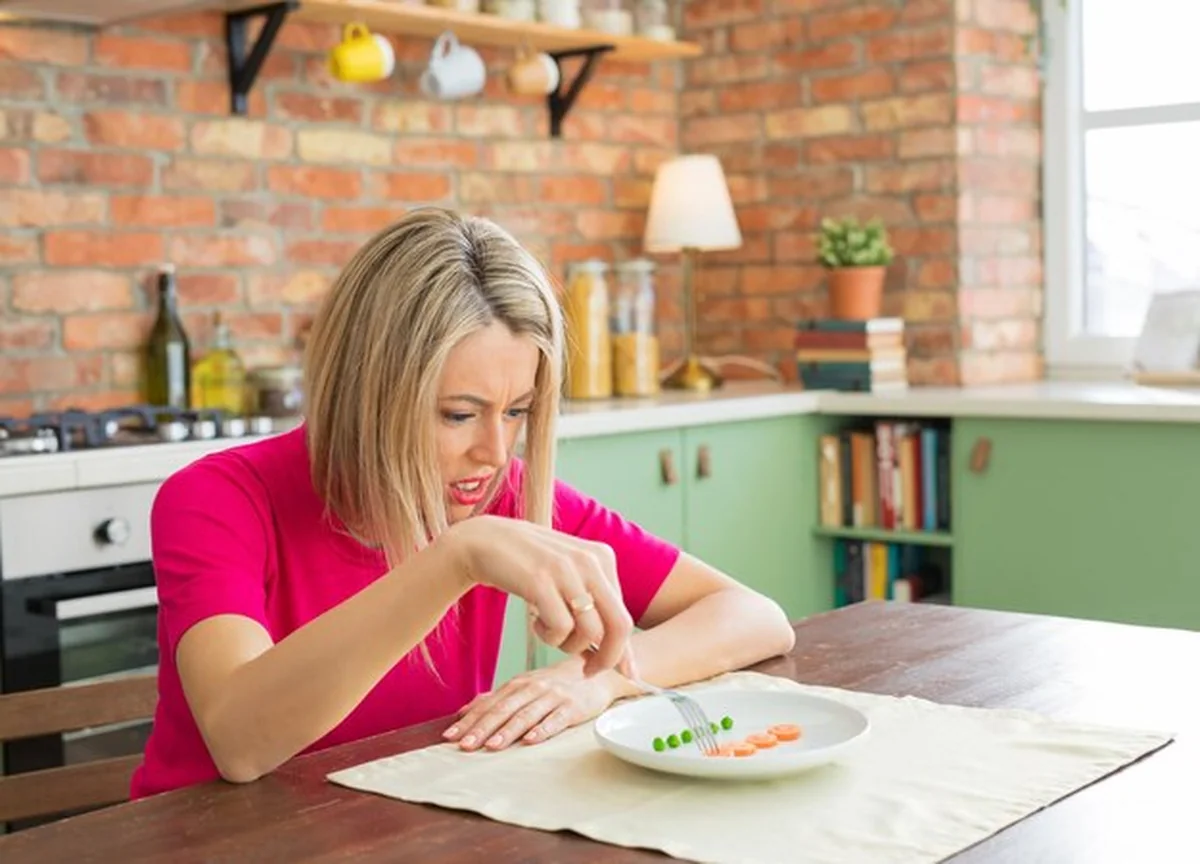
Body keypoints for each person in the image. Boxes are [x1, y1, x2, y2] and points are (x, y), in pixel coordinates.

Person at [130, 208, 796, 798]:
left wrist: (596, 681)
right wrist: (454, 559)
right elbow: (240, 743)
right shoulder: (218, 499)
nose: (495, 450)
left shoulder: (499, 494)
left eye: (518, 411)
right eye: (458, 414)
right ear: (369, 393)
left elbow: (756, 617)